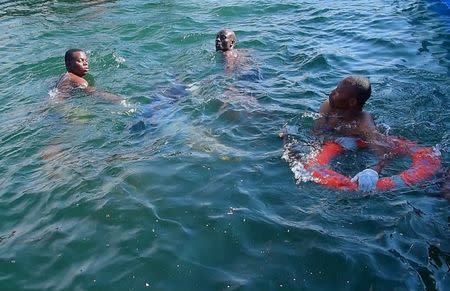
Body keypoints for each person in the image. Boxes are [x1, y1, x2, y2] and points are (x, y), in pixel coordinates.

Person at [312, 76, 394, 191]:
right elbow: (316, 133)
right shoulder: (327, 107)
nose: (332, 92)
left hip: (359, 152)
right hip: (334, 147)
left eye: (338, 91)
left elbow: (384, 155)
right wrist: (332, 140)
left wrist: (373, 171)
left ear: (352, 101)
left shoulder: (364, 124)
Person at [55, 48, 122, 102]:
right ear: (68, 64)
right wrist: (119, 100)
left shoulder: (64, 77)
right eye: (80, 60)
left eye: (86, 60)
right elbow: (94, 93)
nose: (85, 63)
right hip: (60, 106)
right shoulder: (79, 81)